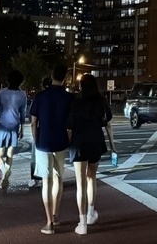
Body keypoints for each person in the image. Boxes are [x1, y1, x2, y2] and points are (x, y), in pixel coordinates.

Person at [67, 73, 117, 235]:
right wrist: (112, 146)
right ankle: (90, 213)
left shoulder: (76, 102)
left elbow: (70, 127)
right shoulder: (101, 101)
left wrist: (68, 145)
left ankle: (82, 224)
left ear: (81, 86)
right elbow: (108, 124)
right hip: (96, 141)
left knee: (80, 183)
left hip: (79, 143)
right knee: (92, 177)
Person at [30, 65, 74, 234]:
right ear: (65, 78)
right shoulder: (69, 98)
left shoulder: (41, 96)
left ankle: (48, 222)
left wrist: (36, 139)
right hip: (61, 142)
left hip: (43, 142)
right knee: (58, 178)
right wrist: (68, 138)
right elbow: (71, 124)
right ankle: (56, 215)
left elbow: (34, 122)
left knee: (46, 182)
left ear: (51, 74)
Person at [0, 70, 28, 191]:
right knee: (10, 155)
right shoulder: (22, 95)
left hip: (1, 126)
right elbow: (23, 113)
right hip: (14, 127)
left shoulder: (2, 93)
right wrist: (22, 129)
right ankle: (6, 174)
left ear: (8, 80)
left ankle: (5, 172)